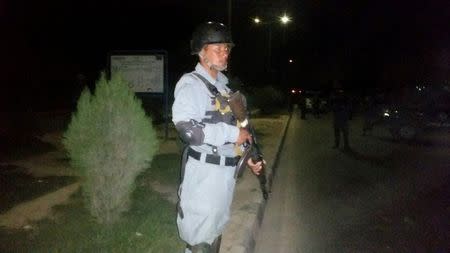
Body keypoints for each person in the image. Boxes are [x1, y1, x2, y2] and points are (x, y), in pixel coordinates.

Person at [171, 21, 263, 253]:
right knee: (199, 241)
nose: (225, 54)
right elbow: (189, 131)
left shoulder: (223, 88)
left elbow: (235, 132)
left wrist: (247, 156)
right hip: (204, 175)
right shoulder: (191, 84)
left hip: (225, 175)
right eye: (218, 49)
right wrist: (233, 133)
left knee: (214, 235)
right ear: (202, 52)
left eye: (227, 49)